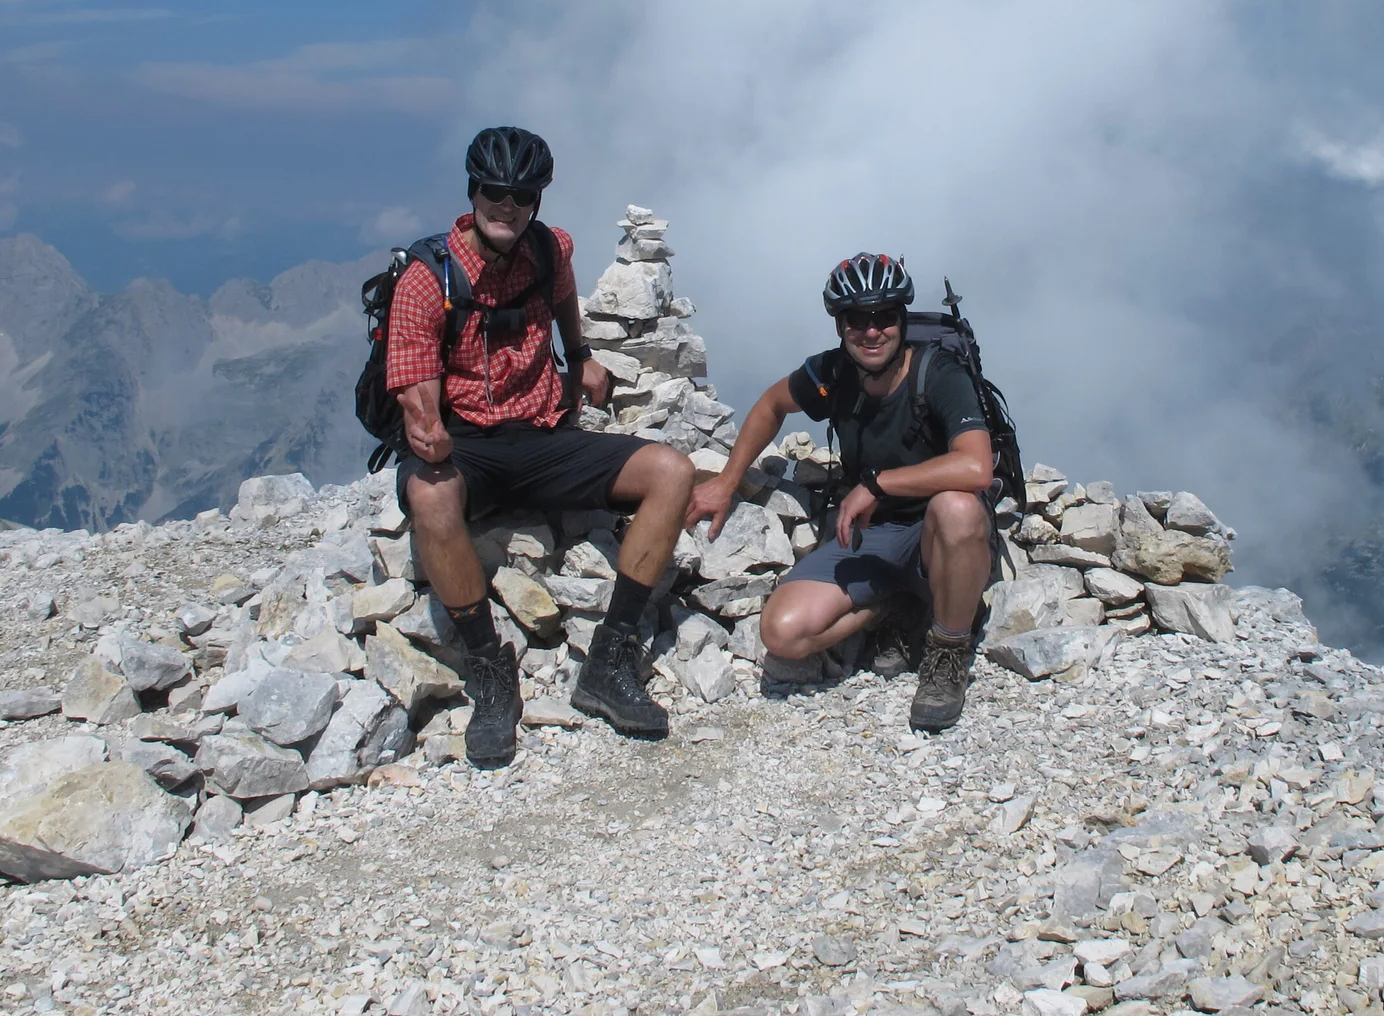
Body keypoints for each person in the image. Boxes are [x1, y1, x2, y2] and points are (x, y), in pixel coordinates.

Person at [388, 126, 695, 761]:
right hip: (467, 445)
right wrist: (428, 427)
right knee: (431, 496)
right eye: (495, 192)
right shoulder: (426, 278)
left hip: (544, 435)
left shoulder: (551, 250)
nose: (508, 205)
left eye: (522, 194)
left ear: (537, 199)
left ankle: (608, 663)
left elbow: (561, 306)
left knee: (670, 470)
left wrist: (579, 357)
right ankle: (489, 671)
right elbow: (416, 392)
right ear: (474, 192)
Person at [684, 252, 995, 732]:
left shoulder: (939, 374)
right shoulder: (833, 375)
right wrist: (727, 480)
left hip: (939, 534)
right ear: (839, 325)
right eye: (857, 319)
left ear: (903, 319)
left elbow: (976, 465)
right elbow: (772, 403)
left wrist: (877, 484)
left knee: (955, 506)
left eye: (885, 316)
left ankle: (947, 652)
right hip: (873, 537)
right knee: (782, 632)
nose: (872, 331)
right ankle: (896, 606)